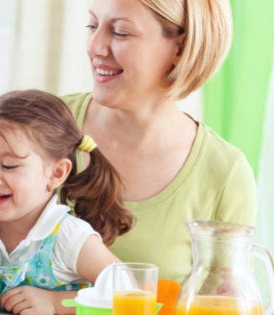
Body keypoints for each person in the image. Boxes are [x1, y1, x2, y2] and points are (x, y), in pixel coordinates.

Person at [65, 0, 256, 282]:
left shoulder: (224, 174)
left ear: (180, 47)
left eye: (120, 32)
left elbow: (223, 303)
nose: (95, 46)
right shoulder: (36, 125)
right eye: (92, 25)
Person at [0, 89, 134, 314]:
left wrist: (54, 302)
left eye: (9, 165)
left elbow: (126, 290)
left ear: (56, 173)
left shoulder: (68, 236)